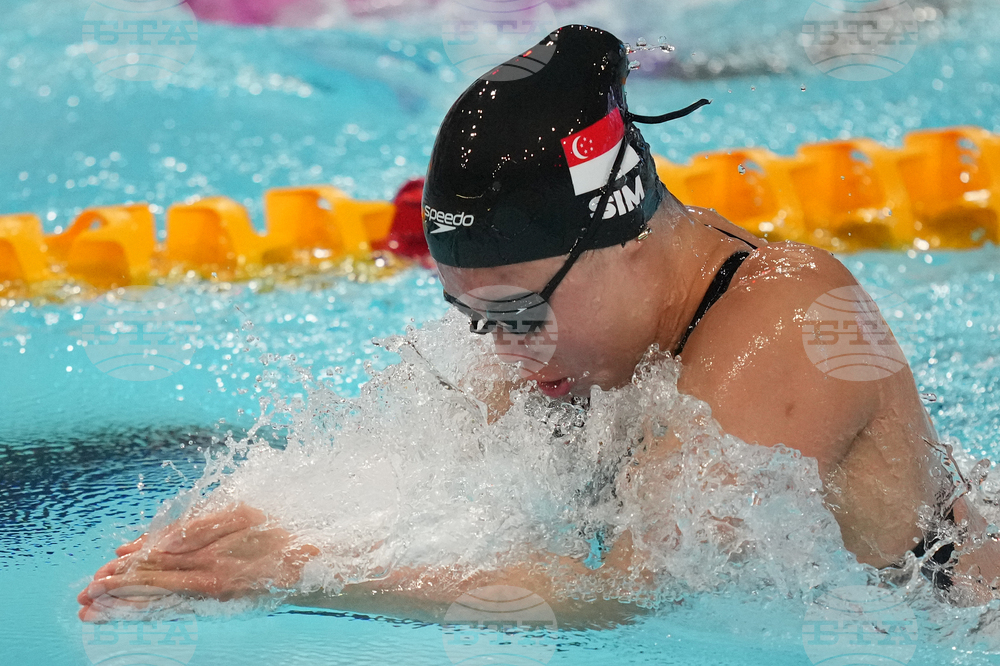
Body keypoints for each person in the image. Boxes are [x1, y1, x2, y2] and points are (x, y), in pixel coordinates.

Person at [79, 24, 1000, 623]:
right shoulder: (565, 337)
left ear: (624, 242)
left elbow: (626, 594)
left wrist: (305, 571)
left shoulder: (787, 321)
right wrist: (246, 528)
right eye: (472, 315)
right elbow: (419, 474)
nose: (505, 349)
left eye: (519, 311)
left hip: (955, 612)